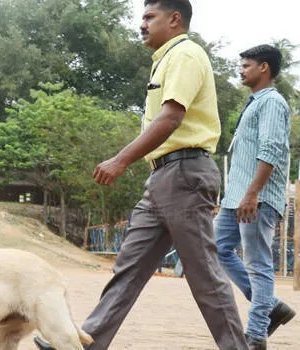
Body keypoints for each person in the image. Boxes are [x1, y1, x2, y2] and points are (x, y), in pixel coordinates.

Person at [32, 1, 250, 349]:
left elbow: (170, 119)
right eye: (142, 17)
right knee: (128, 270)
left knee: (205, 275)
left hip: (185, 174)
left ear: (174, 19)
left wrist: (120, 160)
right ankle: (85, 343)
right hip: (163, 177)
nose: (142, 25)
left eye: (150, 17)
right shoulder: (165, 59)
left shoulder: (185, 54)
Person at [215, 44, 295, 349]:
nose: (241, 70)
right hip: (236, 197)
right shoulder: (254, 102)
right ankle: (272, 305)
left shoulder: (272, 102)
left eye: (246, 65)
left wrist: (253, 193)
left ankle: (257, 333)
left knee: (258, 263)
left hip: (256, 199)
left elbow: (271, 149)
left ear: (264, 67)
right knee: (216, 248)